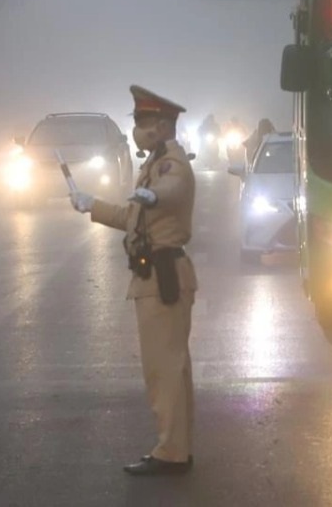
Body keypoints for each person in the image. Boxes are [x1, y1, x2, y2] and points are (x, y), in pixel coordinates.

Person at [70, 85, 198, 476]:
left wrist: (152, 195)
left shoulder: (169, 164)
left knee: (164, 369)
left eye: (143, 123)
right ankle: (176, 446)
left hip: (163, 277)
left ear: (161, 126)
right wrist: (93, 205)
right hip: (155, 276)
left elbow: (171, 191)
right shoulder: (154, 164)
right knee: (170, 367)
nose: (137, 130)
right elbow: (133, 217)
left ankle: (171, 452)